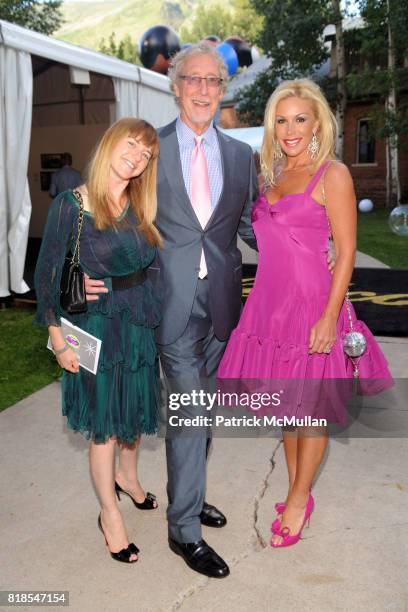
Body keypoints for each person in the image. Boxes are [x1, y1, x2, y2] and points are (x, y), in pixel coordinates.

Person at [85, 43, 258, 578]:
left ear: (223, 90)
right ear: (176, 85)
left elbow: (250, 227)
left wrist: (304, 256)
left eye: (214, 81)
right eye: (194, 80)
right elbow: (108, 202)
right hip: (169, 303)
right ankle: (185, 531)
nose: (204, 89)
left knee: (201, 414)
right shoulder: (148, 150)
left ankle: (189, 491)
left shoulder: (239, 156)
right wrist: (87, 266)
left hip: (223, 305)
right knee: (190, 411)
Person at [218, 79, 393, 548]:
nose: (290, 128)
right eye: (281, 119)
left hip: (314, 304)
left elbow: (349, 248)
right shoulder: (272, 172)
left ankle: (298, 498)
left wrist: (329, 315)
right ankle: (297, 489)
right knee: (286, 405)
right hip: (269, 304)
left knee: (311, 408)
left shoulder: (332, 173)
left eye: (300, 118)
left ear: (317, 122)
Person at [35, 118, 162, 564]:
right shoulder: (73, 204)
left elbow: (148, 265)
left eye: (147, 154)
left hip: (136, 325)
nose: (137, 157)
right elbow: (48, 274)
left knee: (132, 411)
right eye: (132, 145)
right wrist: (59, 340)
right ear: (111, 143)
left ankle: (129, 479)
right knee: (107, 424)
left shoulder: (139, 204)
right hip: (94, 329)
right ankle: (110, 514)